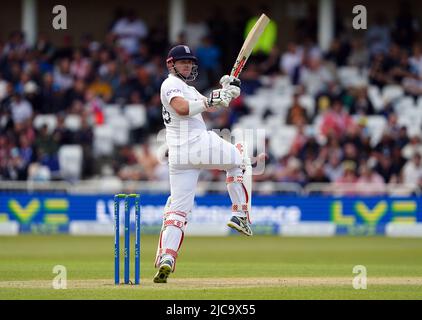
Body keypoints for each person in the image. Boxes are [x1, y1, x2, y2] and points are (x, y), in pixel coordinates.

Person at [153, 45, 251, 283]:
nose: (187, 65)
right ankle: (240, 214)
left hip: (179, 157)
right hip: (197, 144)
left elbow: (211, 103)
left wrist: (227, 91)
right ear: (170, 64)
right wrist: (213, 99)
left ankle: (167, 256)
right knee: (240, 157)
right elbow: (183, 109)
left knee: (177, 210)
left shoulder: (188, 88)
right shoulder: (170, 85)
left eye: (190, 62)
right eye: (182, 62)